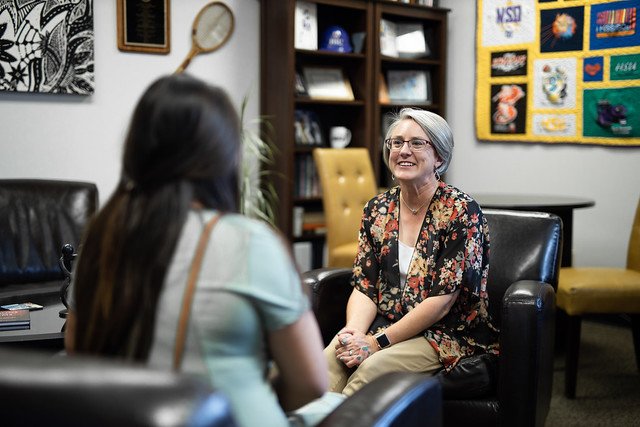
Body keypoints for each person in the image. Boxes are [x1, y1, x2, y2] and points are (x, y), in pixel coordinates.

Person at [64, 74, 337, 427]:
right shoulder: (251, 242)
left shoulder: (102, 238)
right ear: (223, 154)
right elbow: (310, 383)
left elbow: (78, 352)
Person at [324, 108, 499, 396]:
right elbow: (365, 285)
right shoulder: (377, 209)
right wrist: (354, 333)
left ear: (439, 157)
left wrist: (376, 342)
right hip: (386, 322)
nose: (404, 150)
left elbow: (442, 302)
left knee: (369, 373)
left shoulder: (460, 211)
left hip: (445, 334)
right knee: (325, 366)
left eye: (418, 143)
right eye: (397, 142)